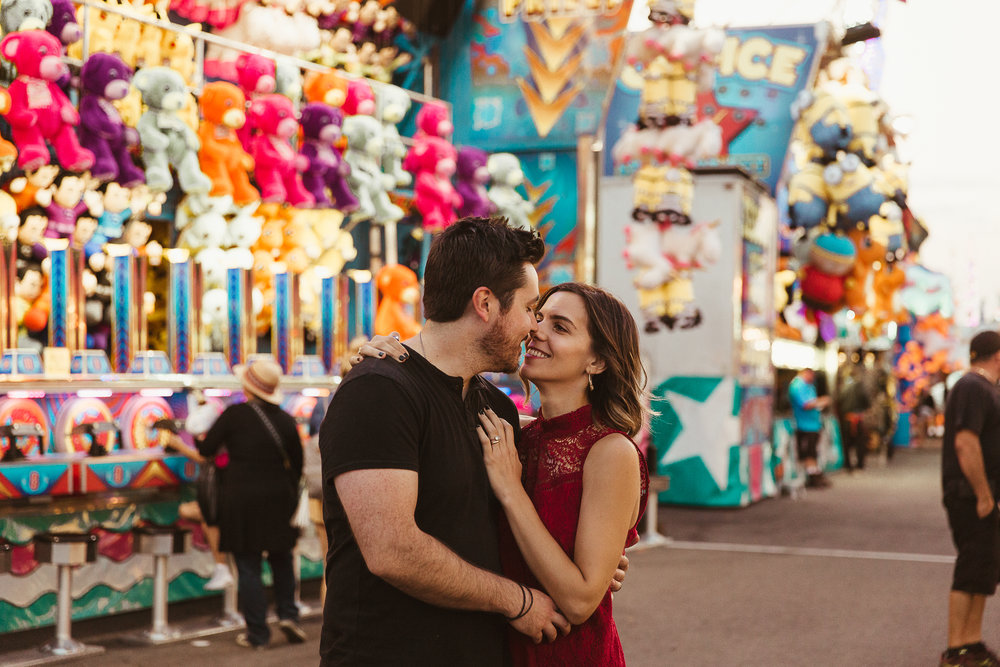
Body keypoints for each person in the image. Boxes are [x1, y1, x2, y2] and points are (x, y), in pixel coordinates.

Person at [318, 217, 570, 666]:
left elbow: (515, 523)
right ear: (486, 303)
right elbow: (392, 550)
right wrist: (518, 601)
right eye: (530, 308)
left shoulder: (497, 406)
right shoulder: (378, 390)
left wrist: (592, 558)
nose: (534, 326)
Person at [477, 282, 648, 665]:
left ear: (597, 362)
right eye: (538, 317)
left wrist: (510, 489)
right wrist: (384, 354)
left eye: (560, 326)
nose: (537, 329)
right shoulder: (516, 435)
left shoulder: (610, 451)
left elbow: (579, 600)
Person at [199, 358, 306, 650]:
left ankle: (258, 635)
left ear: (247, 386)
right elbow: (297, 464)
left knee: (248, 567)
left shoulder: (234, 415)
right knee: (282, 560)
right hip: (279, 497)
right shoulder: (286, 419)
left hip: (242, 499)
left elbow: (206, 449)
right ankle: (289, 616)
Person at [940, 331, 1000, 667]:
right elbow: (966, 443)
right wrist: (982, 494)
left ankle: (971, 642)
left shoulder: (986, 388)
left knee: (983, 570)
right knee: (971, 567)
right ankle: (956, 649)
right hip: (970, 495)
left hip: (985, 495)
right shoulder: (972, 387)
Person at [788, 367, 832, 488]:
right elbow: (806, 404)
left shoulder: (809, 385)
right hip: (804, 426)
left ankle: (815, 474)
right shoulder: (797, 386)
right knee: (808, 452)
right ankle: (812, 477)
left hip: (813, 425)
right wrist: (821, 401)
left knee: (813, 452)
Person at [835, 361, 872, 472]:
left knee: (846, 443)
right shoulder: (859, 385)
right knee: (860, 442)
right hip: (857, 417)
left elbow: (838, 401)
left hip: (846, 417)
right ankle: (859, 463)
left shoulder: (842, 386)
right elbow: (866, 401)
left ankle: (848, 464)